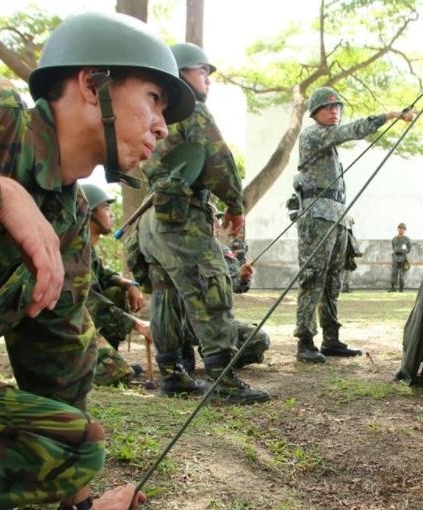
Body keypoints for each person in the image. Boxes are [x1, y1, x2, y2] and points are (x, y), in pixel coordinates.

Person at [0, 12, 194, 509]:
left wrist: (82, 504)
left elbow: (58, 359)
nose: (161, 126)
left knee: (70, 445)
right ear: (93, 83)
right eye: (154, 99)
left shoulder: (70, 220)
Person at [137, 42, 269, 404]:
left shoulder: (151, 111)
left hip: (152, 220)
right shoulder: (190, 108)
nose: (207, 80)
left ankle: (173, 375)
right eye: (202, 72)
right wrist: (234, 203)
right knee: (212, 290)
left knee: (165, 298)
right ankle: (224, 381)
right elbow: (218, 159)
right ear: (181, 74)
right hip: (183, 218)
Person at [293, 86, 415, 363]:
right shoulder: (314, 134)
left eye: (337, 107)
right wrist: (391, 115)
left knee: (333, 280)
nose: (334, 111)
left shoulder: (328, 142)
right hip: (317, 218)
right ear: (315, 112)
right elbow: (352, 131)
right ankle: (305, 340)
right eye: (328, 107)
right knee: (313, 277)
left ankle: (331, 339)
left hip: (335, 217)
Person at [81, 183, 151, 386]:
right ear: (88, 213)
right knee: (117, 375)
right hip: (66, 324)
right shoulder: (73, 250)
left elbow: (103, 275)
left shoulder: (88, 248)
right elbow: (90, 301)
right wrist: (136, 323)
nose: (111, 214)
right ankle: (95, 363)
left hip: (83, 320)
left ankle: (106, 355)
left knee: (115, 291)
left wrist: (130, 284)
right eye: (105, 208)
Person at [341, 216, 362, 293]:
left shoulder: (349, 231)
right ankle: (344, 287)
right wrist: (355, 252)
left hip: (348, 254)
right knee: (345, 271)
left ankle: (345, 286)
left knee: (347, 272)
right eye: (351, 222)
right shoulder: (348, 231)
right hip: (347, 254)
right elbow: (351, 244)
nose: (352, 224)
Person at [389, 222, 412, 292]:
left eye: (403, 229)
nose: (401, 230)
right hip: (395, 257)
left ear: (405, 230)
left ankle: (401, 288)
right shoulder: (394, 239)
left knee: (402, 274)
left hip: (403, 257)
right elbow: (393, 247)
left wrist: (404, 253)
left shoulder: (407, 239)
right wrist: (396, 251)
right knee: (394, 273)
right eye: (400, 228)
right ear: (398, 229)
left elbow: (409, 248)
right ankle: (393, 287)